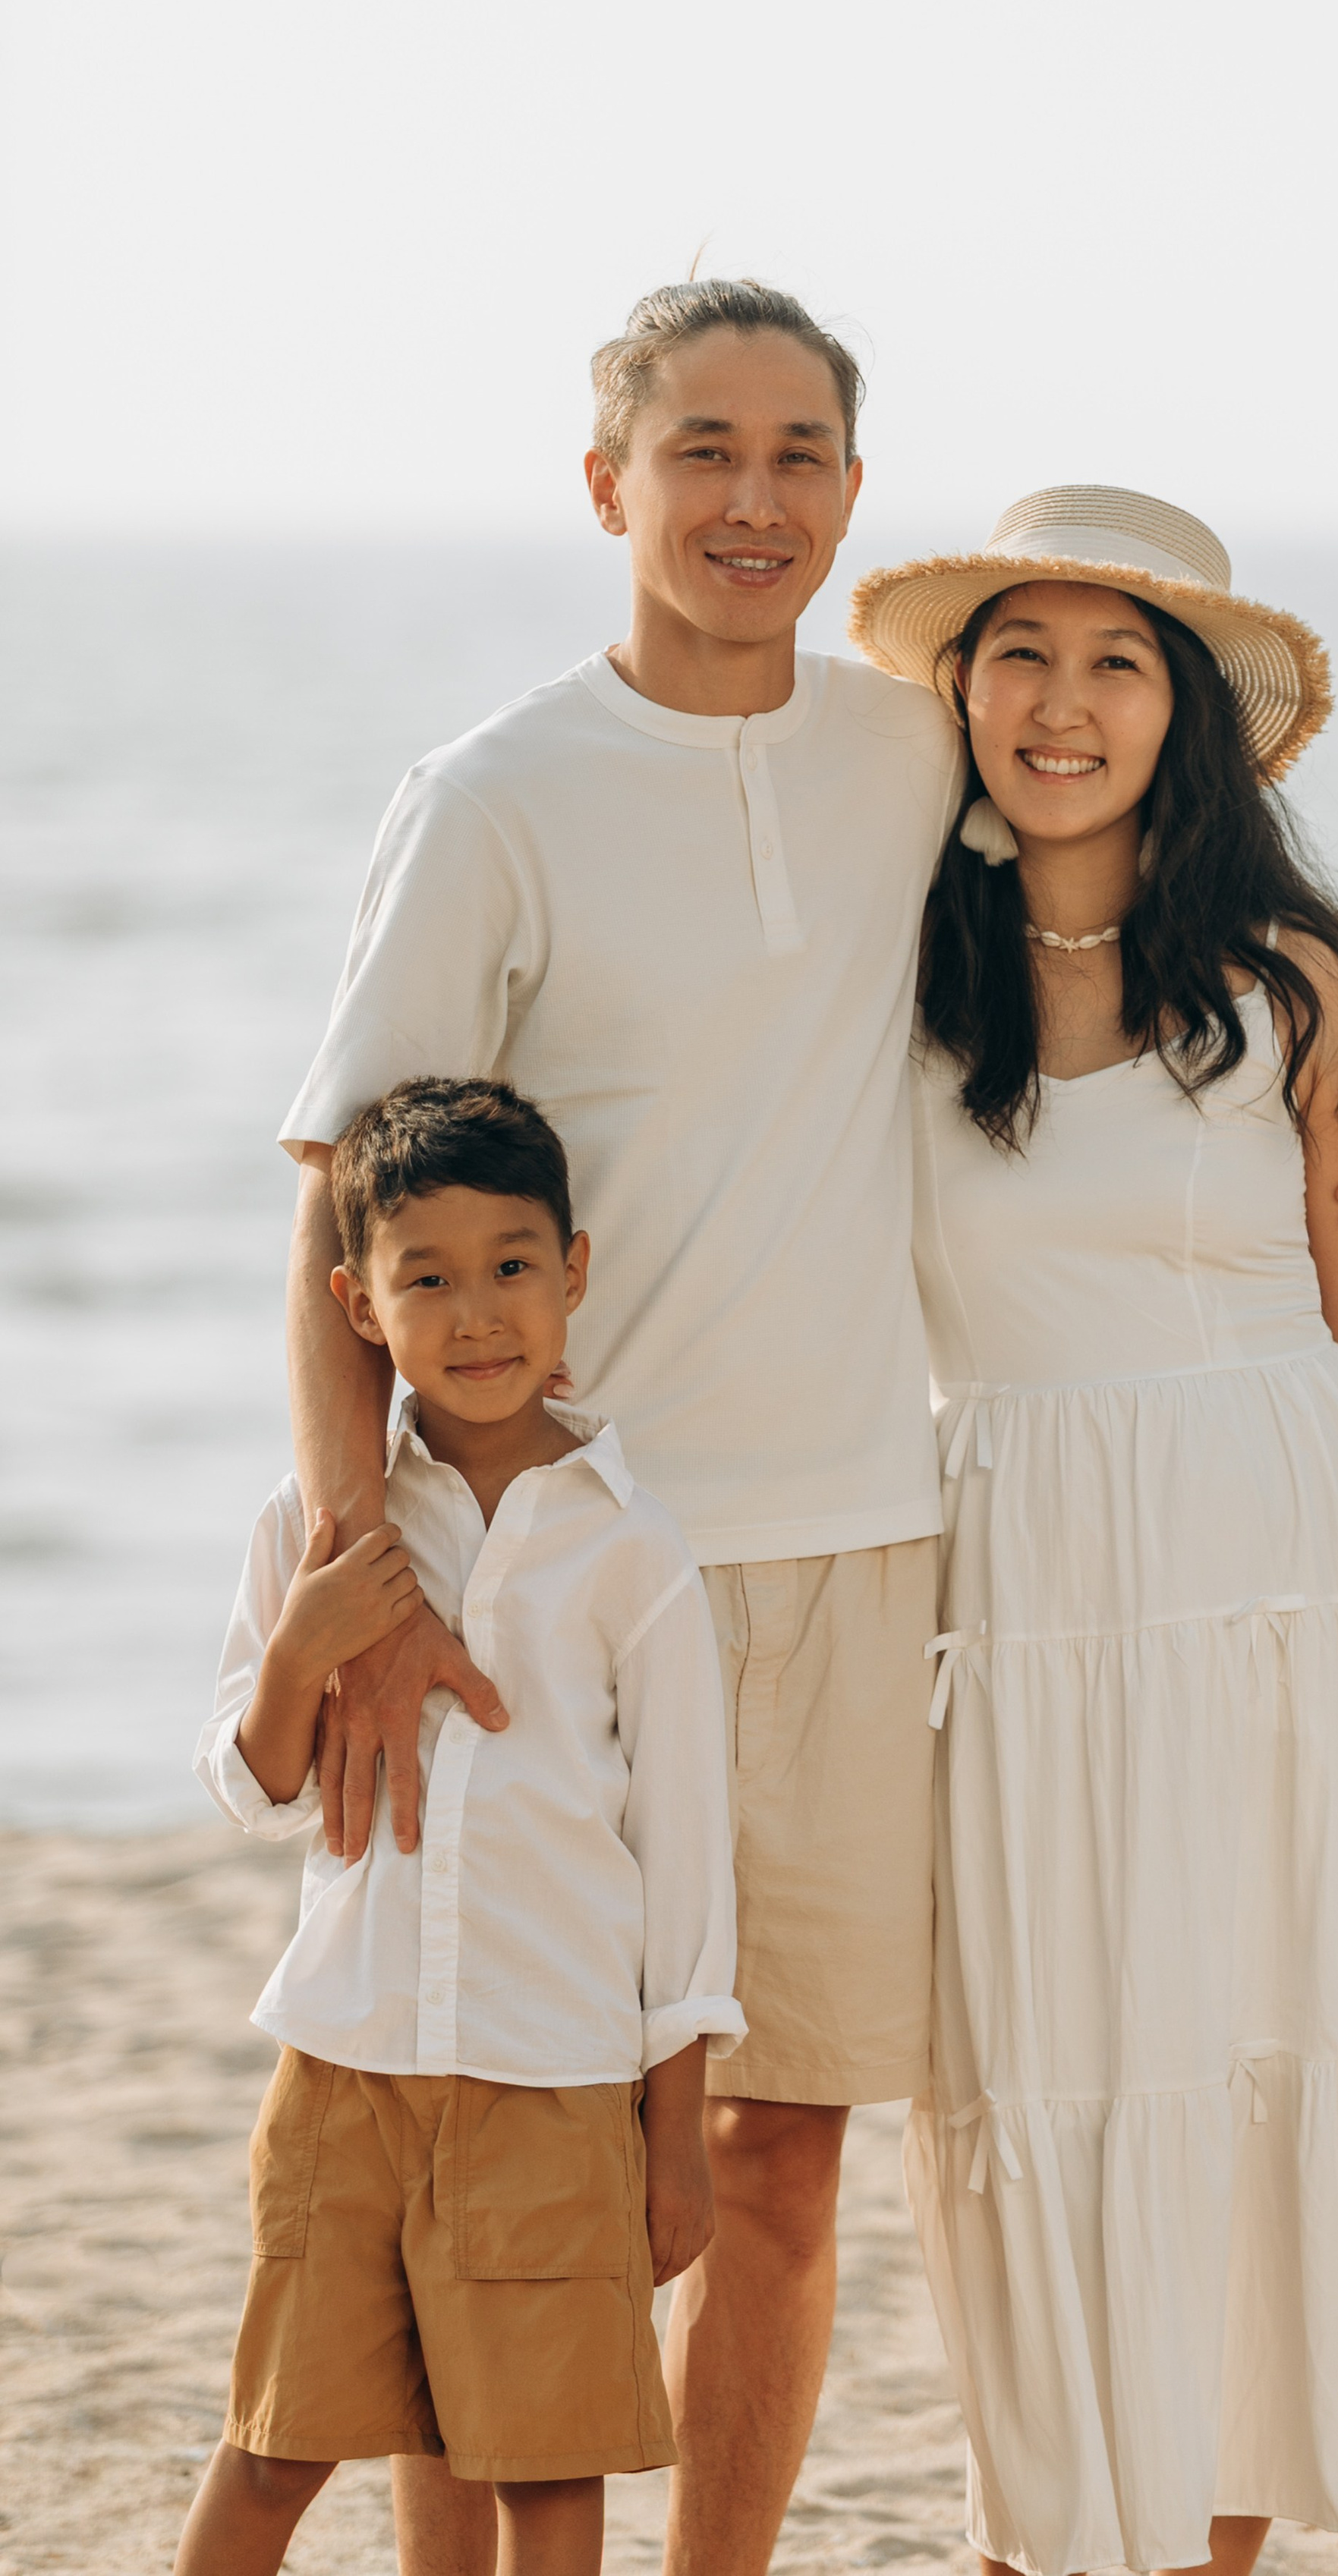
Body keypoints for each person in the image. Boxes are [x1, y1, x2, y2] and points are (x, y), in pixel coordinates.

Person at [282, 282, 1338, 2576]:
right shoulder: (508, 796)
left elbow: (1227, 1043)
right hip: (565, 1550)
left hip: (862, 1552)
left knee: (782, 2155)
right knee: (497, 2118)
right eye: (702, 448)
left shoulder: (893, 768)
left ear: (847, 492)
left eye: (800, 452)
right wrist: (363, 1539)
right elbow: (353, 1189)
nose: (751, 496)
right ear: (607, 478)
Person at [847, 486, 1338, 2576]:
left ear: (1185, 715)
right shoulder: (886, 986)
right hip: (1025, 1580)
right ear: (958, 695)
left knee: (1264, 2056)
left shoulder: (1288, 981)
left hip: (1301, 1560)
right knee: (1047, 2070)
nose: (1063, 701)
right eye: (1019, 650)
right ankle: (1047, 2538)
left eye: (1119, 659)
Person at [178, 1080, 741, 2576]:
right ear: (357, 1305)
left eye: (510, 1266)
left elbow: (685, 1864)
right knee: (275, 2442)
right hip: (343, 2071)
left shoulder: (634, 1550)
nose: (476, 1314)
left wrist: (673, 2138)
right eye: (425, 1278)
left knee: (549, 2475)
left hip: (553, 2084)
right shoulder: (318, 1524)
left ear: (574, 1273)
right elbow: (256, 1790)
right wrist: (303, 1649)